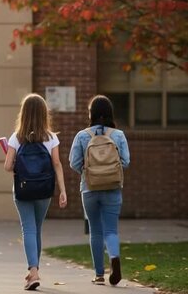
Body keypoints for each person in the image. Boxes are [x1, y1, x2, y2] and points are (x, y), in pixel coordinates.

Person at [3, 93, 67, 290]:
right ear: (43, 114)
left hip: (22, 191)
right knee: (36, 229)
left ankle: (33, 271)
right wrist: (63, 190)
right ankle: (34, 270)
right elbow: (57, 164)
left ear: (23, 114)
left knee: (28, 228)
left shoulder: (16, 138)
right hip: (44, 190)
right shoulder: (51, 138)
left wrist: (13, 159)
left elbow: (7, 167)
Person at [69, 95, 130, 286]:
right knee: (111, 229)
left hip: (89, 189)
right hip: (112, 187)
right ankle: (114, 257)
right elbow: (126, 162)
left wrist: (88, 172)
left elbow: (73, 163)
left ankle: (98, 275)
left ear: (91, 114)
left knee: (95, 231)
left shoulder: (82, 136)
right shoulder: (118, 135)